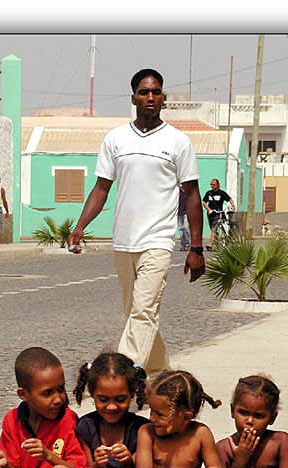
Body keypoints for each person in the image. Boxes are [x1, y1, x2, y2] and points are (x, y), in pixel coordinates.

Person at [67, 68, 205, 374]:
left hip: (157, 241)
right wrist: (79, 228)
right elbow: (101, 188)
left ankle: (120, 377)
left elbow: (193, 196)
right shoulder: (115, 139)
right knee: (136, 313)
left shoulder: (178, 141)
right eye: (144, 92)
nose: (151, 98)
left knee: (143, 312)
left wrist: (197, 247)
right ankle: (162, 372)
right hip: (124, 242)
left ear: (163, 98)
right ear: (133, 98)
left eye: (156, 92)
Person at [202, 178, 236, 249]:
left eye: (214, 184)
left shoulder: (221, 193)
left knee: (213, 229)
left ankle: (210, 244)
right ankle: (217, 243)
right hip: (211, 214)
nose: (212, 186)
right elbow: (204, 202)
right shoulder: (209, 193)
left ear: (217, 185)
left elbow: (230, 199)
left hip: (218, 213)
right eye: (211, 184)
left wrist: (233, 206)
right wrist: (208, 209)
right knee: (213, 230)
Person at [177, 185, 191, 251]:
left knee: (186, 227)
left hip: (186, 212)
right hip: (179, 212)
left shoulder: (188, 191)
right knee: (181, 229)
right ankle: (183, 245)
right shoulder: (177, 191)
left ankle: (187, 244)